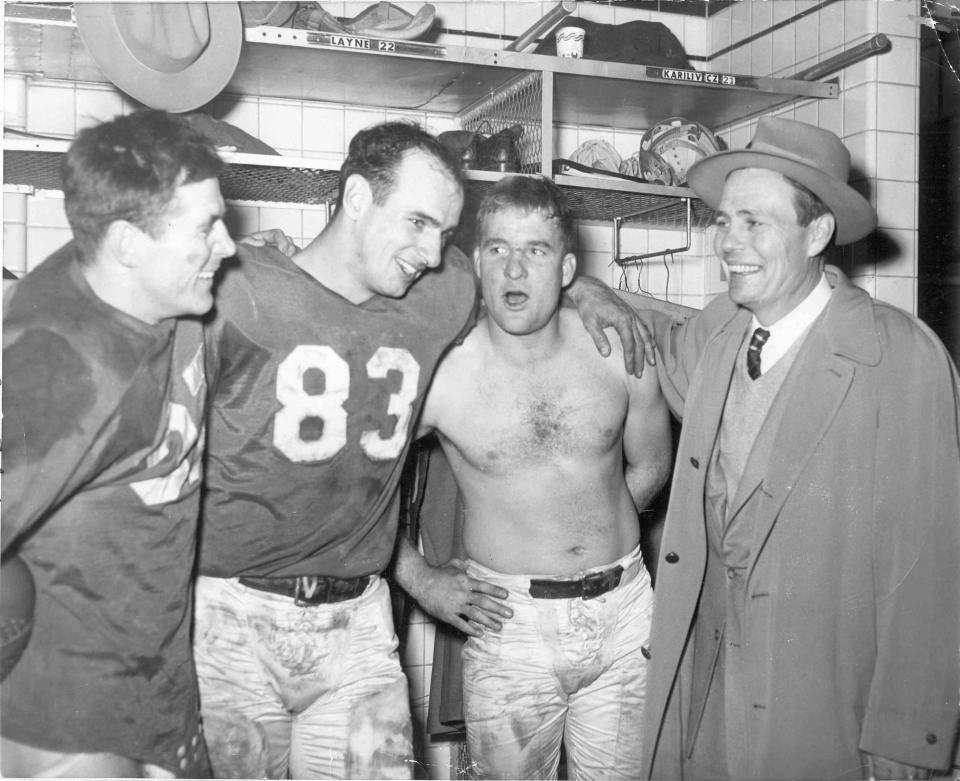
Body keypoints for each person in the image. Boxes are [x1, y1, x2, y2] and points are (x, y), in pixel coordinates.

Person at [192, 121, 652, 779]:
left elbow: (517, 271)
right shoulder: (236, 287)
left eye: (444, 232)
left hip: (357, 617)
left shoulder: (435, 292)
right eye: (417, 223)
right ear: (355, 198)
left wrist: (588, 287)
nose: (433, 252)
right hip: (235, 612)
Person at [634, 117, 960, 780]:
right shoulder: (717, 331)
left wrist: (905, 732)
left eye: (756, 222)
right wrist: (579, 286)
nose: (729, 243)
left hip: (824, 696)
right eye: (724, 221)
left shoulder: (900, 353)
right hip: (711, 685)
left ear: (817, 233)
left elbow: (931, 561)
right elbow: (643, 339)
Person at [395, 176, 672, 779]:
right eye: (498, 249)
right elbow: (355, 486)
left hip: (625, 612)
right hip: (510, 627)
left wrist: (590, 523)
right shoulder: (442, 376)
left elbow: (652, 462)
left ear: (567, 266)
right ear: (475, 263)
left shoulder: (618, 349)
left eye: (536, 251)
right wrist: (418, 578)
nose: (515, 269)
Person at [1, 109, 237, 778]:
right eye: (205, 229)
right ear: (130, 242)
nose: (228, 246)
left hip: (154, 689)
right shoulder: (62, 373)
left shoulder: (155, 291)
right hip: (71, 726)